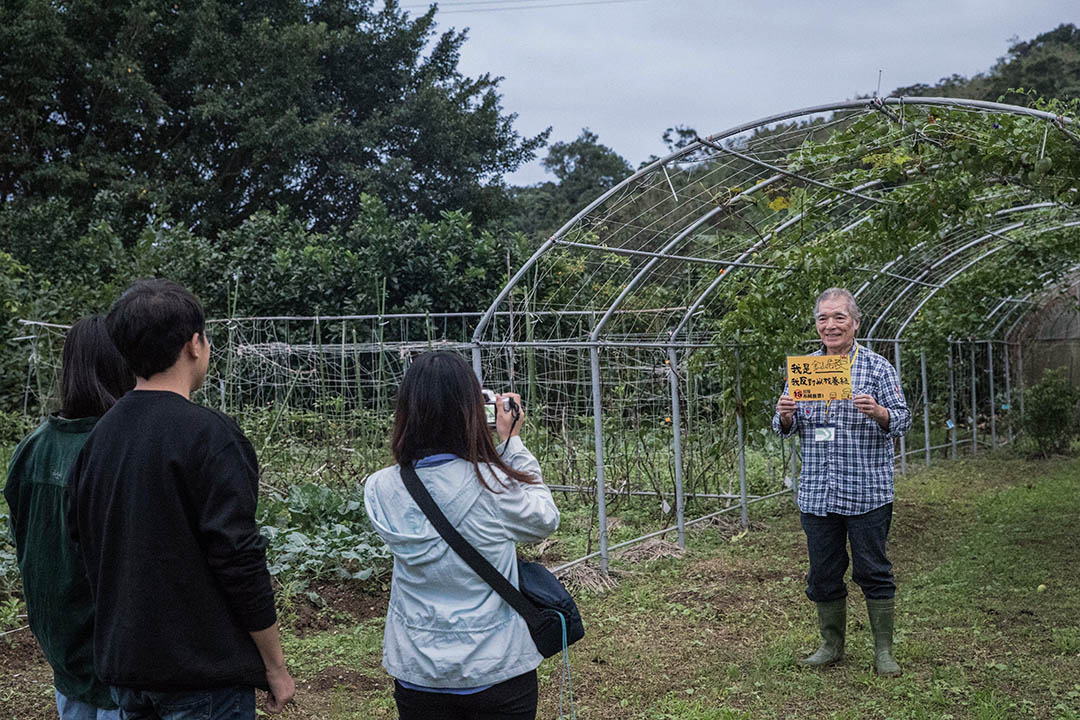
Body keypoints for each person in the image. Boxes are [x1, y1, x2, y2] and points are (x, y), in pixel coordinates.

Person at [68, 279, 295, 718]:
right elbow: (238, 557)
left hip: (127, 672)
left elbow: (82, 543)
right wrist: (275, 665)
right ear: (195, 344)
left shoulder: (99, 439)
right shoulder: (211, 437)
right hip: (203, 675)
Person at [364, 351, 560, 720]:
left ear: (406, 411)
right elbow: (545, 518)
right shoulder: (495, 485)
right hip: (498, 666)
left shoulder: (380, 489)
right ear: (472, 410)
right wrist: (511, 444)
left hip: (418, 670)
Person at [773, 288, 911, 676]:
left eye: (839, 318)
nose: (830, 325)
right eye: (823, 319)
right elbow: (786, 425)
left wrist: (880, 412)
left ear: (855, 322)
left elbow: (902, 420)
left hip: (866, 490)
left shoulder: (877, 367)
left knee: (873, 569)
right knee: (823, 571)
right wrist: (784, 414)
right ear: (817, 325)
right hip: (819, 491)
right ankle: (831, 645)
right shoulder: (804, 370)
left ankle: (883, 651)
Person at [4, 315, 134, 720]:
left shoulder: (32, 448)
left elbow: (23, 541)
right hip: (118, 658)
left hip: (62, 647)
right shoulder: (119, 448)